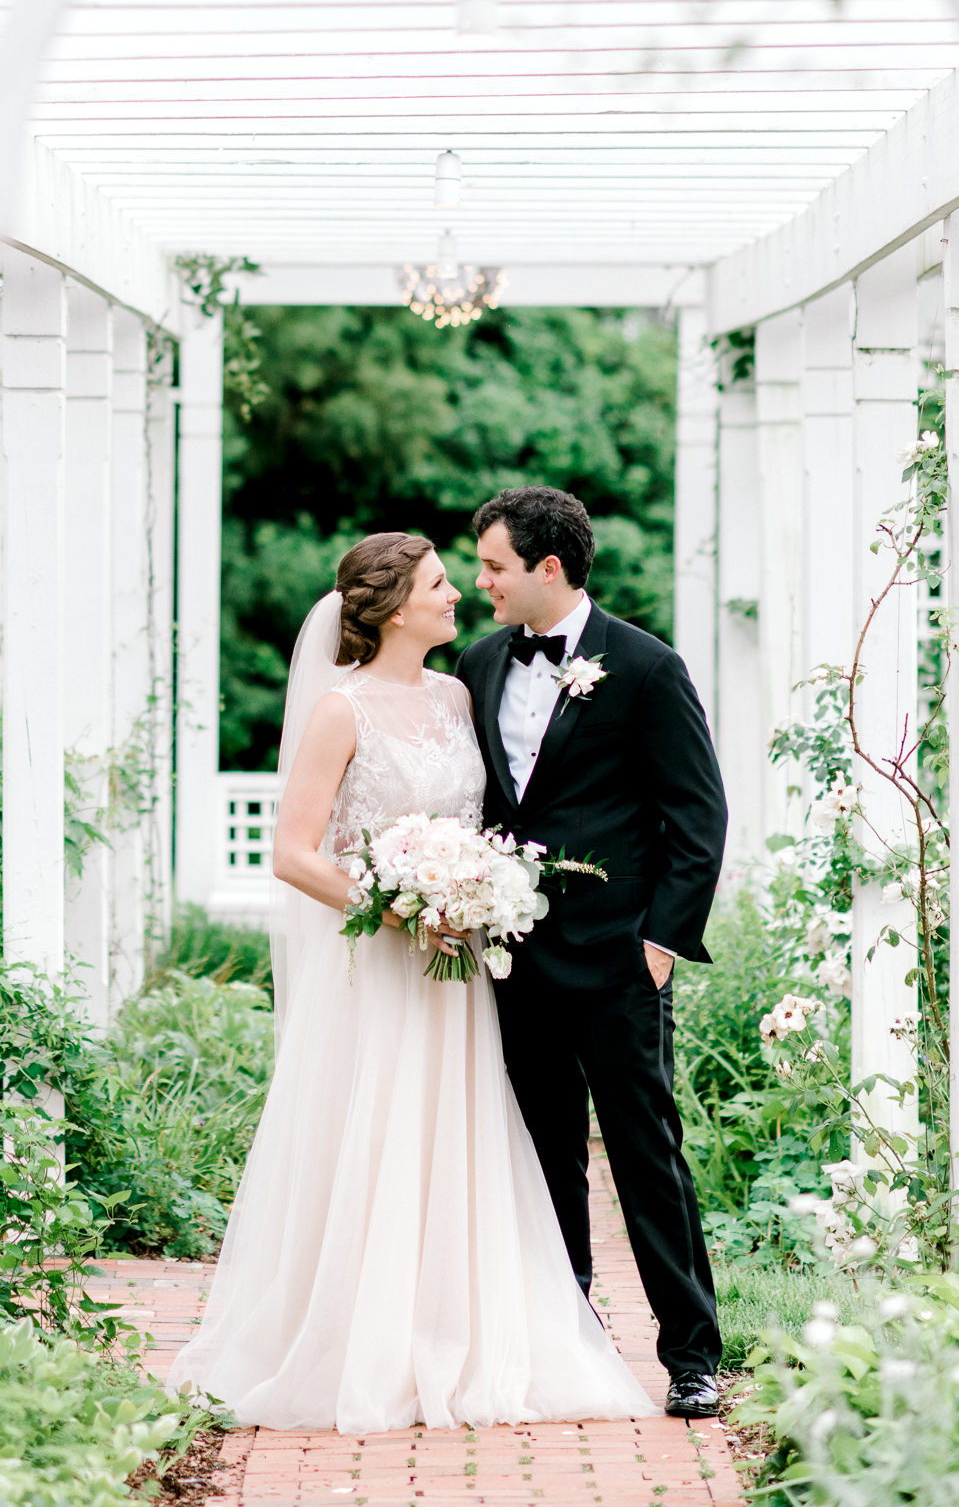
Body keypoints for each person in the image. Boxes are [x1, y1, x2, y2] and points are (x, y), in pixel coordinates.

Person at [165, 531, 652, 1434]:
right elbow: (292, 854)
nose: (459, 593)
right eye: (438, 583)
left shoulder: (458, 693)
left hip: (458, 970)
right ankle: (364, 1339)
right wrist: (395, 902)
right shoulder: (339, 711)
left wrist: (470, 887)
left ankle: (457, 1328)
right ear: (394, 609)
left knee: (454, 1136)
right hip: (382, 966)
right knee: (378, 1135)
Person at [456, 487, 728, 1421]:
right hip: (513, 958)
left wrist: (660, 943)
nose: (477, 580)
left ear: (547, 568)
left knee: (647, 1156)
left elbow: (697, 815)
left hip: (618, 962)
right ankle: (568, 1341)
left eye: (492, 565)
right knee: (543, 1156)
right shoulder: (478, 663)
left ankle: (693, 1354)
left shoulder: (647, 669)